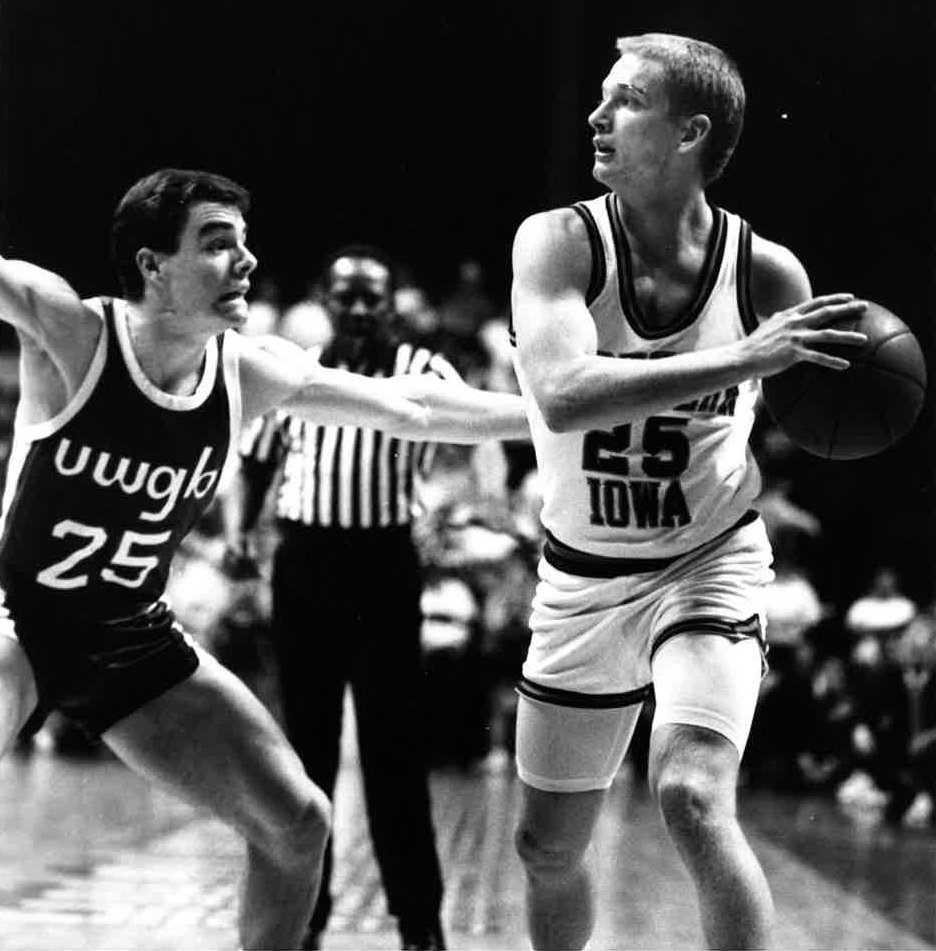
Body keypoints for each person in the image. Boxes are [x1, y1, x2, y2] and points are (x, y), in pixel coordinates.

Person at [0, 167, 528, 951]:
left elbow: (416, 408)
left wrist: (562, 414)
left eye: (245, 244)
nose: (245, 261)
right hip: (20, 624)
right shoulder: (71, 330)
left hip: (132, 639)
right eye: (217, 244)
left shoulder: (250, 369)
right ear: (152, 265)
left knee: (299, 822)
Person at [508, 33, 868, 951]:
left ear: (689, 132)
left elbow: (815, 409)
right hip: (582, 579)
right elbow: (559, 396)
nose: (597, 115)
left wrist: (855, 401)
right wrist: (740, 357)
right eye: (599, 95)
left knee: (691, 794)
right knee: (545, 847)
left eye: (625, 100)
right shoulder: (558, 242)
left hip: (706, 561)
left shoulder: (766, 272)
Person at [225, 244, 481, 951]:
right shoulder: (295, 370)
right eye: (348, 296)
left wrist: (458, 510)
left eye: (374, 296)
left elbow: (468, 432)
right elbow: (253, 460)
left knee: (393, 746)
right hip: (305, 562)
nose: (361, 309)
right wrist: (242, 531)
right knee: (304, 746)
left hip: (384, 565)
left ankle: (419, 920)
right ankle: (307, 913)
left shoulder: (423, 370)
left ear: (393, 302)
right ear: (326, 300)